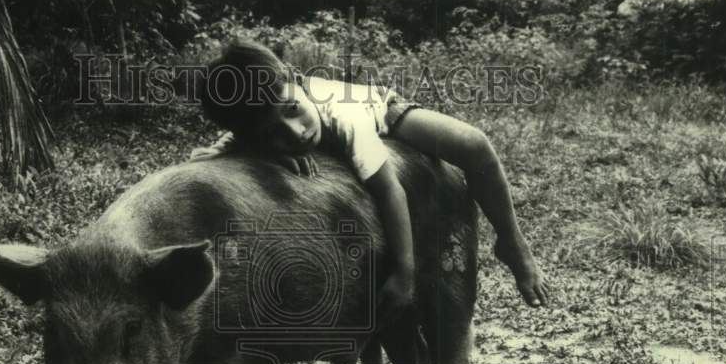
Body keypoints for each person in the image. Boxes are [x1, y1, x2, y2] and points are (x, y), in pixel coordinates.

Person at [191, 41, 549, 319]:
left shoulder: (344, 117)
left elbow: (389, 189)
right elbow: (241, 139)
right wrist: (221, 152)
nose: (297, 132)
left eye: (292, 110)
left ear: (295, 80)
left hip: (381, 110)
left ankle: (512, 240)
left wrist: (405, 272)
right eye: (273, 132)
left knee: (474, 144)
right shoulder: (259, 127)